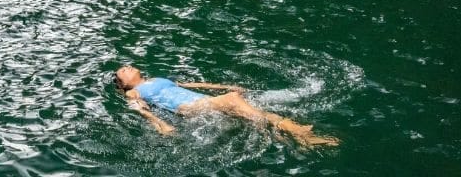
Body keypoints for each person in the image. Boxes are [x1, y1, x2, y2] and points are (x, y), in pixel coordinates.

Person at [113, 65, 338, 146]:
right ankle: (292, 132)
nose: (127, 67)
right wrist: (159, 124)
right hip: (190, 109)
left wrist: (223, 85)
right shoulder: (134, 91)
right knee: (235, 102)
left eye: (127, 66)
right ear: (123, 85)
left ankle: (294, 133)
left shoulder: (158, 79)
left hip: (203, 101)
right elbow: (139, 109)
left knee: (247, 108)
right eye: (122, 72)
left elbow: (194, 83)